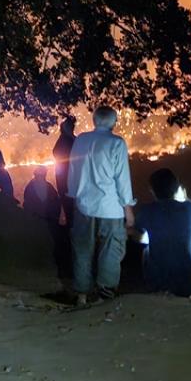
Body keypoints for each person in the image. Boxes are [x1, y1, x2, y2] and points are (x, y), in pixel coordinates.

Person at [66, 106, 135, 304]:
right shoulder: (117, 143)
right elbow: (122, 179)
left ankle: (81, 295)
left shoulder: (80, 140)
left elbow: (72, 170)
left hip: (83, 206)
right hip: (110, 208)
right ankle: (105, 294)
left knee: (82, 250)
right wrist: (128, 209)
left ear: (94, 120)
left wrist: (74, 196)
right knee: (111, 250)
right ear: (113, 122)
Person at [133, 168, 191, 297]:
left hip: (158, 283)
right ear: (176, 187)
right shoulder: (190, 208)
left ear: (152, 190)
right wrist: (186, 199)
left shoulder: (146, 211)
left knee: (146, 248)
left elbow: (137, 237)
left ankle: (155, 286)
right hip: (190, 282)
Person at [52, 115, 77, 221]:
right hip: (65, 177)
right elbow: (57, 153)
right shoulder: (65, 140)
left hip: (71, 177)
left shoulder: (71, 139)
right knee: (69, 205)